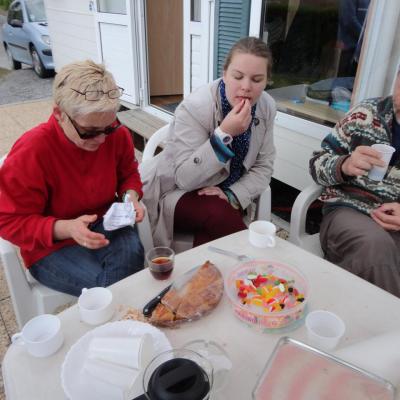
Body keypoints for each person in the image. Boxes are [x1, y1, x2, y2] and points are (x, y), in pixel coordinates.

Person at [0, 60, 145, 296]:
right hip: (52, 245)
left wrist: (131, 196)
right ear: (59, 114)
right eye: (88, 132)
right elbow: (8, 221)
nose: (102, 140)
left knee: (124, 278)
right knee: (113, 288)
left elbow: (128, 172)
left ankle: (116, 320)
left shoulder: (116, 133)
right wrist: (66, 228)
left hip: (107, 222)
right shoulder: (32, 151)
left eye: (107, 128)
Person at [141, 37, 276, 247]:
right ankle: (254, 264)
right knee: (217, 213)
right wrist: (223, 135)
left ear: (266, 80)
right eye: (238, 76)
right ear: (224, 74)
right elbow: (184, 179)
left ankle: (214, 277)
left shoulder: (266, 107)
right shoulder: (195, 107)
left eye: (257, 80)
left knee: (214, 236)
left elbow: (264, 167)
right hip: (178, 192)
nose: (246, 87)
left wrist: (232, 194)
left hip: (227, 196)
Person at [309, 68, 400, 297]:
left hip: (395, 223)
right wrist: (345, 165)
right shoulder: (366, 114)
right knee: (375, 249)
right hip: (348, 211)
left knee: (380, 258)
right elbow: (317, 164)